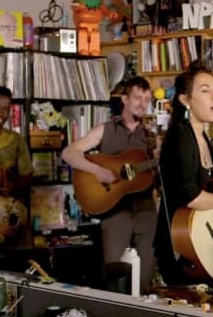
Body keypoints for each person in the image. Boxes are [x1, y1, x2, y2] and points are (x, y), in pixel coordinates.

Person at [61, 77, 158, 292]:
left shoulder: (153, 138)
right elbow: (69, 153)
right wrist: (98, 171)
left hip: (146, 212)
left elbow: (159, 172)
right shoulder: (105, 129)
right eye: (138, 98)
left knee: (145, 278)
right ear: (124, 99)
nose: (143, 104)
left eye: (147, 99)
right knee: (115, 276)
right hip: (115, 212)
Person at [154, 63, 213, 291]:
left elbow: (209, 190)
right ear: (185, 100)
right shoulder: (180, 138)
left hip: (201, 242)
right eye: (205, 90)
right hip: (182, 247)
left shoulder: (201, 137)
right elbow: (190, 197)